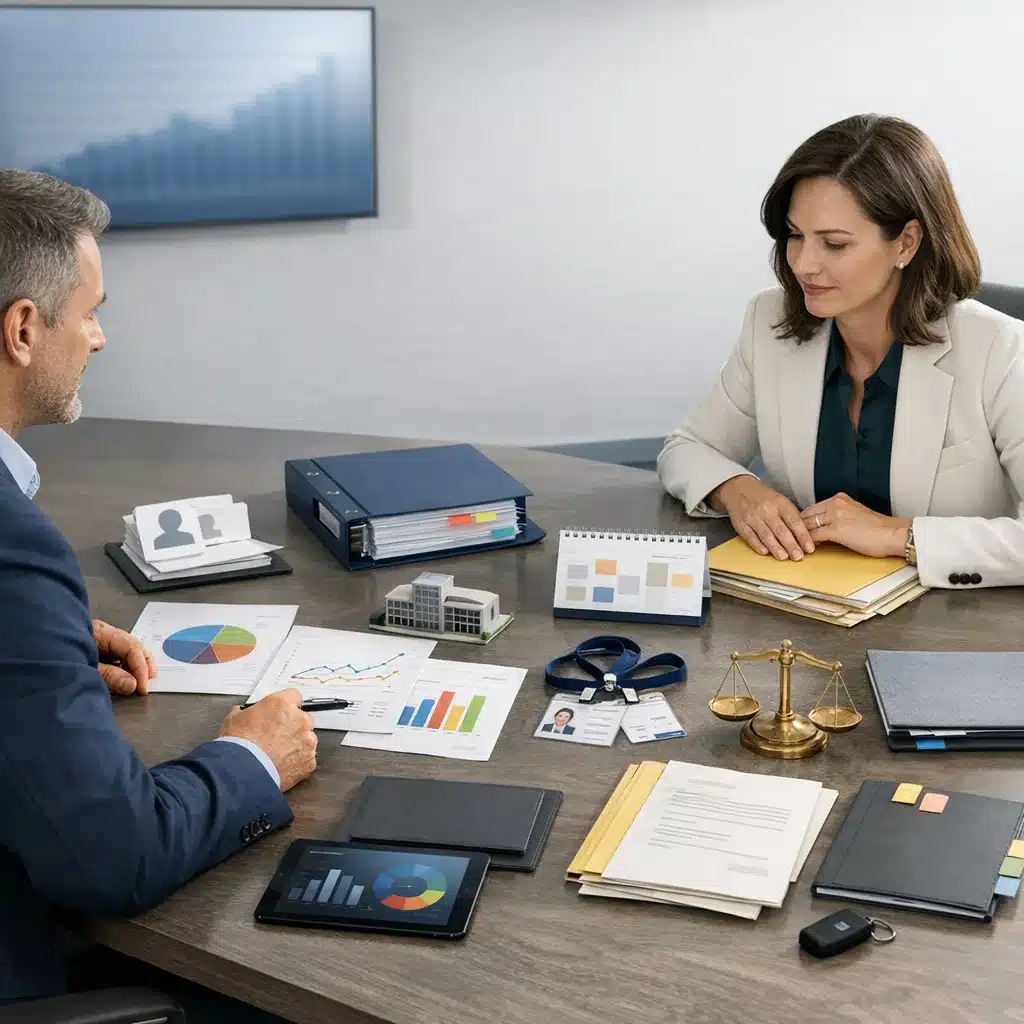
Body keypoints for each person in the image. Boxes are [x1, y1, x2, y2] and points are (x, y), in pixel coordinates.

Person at [0, 169, 318, 1008]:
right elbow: (116, 854)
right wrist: (256, 756)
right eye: (92, 312)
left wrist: (44, 652)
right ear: (23, 329)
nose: (99, 339)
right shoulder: (11, 552)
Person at [658, 114, 1024, 590]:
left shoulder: (1000, 350)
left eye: (834, 244)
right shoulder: (769, 323)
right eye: (795, 236)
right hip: (807, 619)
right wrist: (739, 490)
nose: (804, 265)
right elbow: (687, 448)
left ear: (906, 243)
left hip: (957, 638)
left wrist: (900, 535)